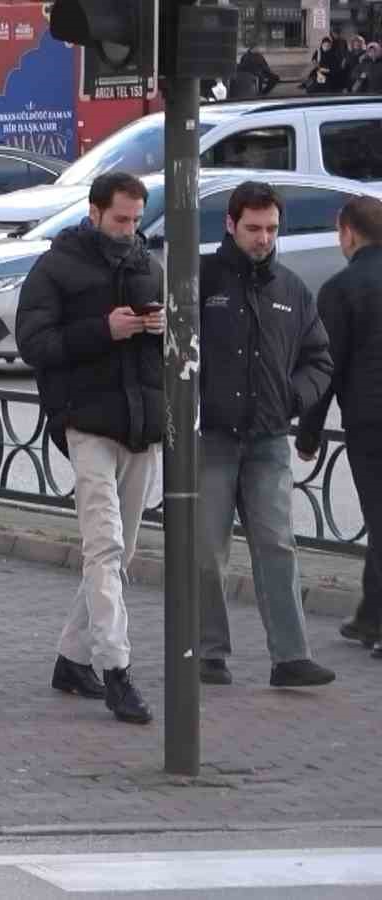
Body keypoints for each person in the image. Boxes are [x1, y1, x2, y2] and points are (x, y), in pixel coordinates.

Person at [13, 172, 165, 725]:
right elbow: (34, 344)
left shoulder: (149, 264)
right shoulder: (57, 266)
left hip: (139, 425)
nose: (129, 230)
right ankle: (118, 670)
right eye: (120, 219)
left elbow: (172, 347)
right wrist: (104, 330)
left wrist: (164, 328)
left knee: (120, 553)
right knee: (103, 546)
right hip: (86, 423)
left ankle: (72, 659)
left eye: (136, 220)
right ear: (95, 212)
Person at [197, 180, 336, 688]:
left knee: (278, 545)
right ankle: (207, 651)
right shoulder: (201, 277)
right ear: (230, 225)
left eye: (272, 229)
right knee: (206, 550)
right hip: (209, 437)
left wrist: (294, 398)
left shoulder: (291, 289)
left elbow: (319, 357)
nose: (263, 239)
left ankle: (291, 657)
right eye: (253, 228)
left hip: (268, 439)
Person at [297, 196, 382, 653]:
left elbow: (325, 368)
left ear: (347, 233)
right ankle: (371, 617)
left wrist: (309, 434)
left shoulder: (342, 288)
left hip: (372, 422)